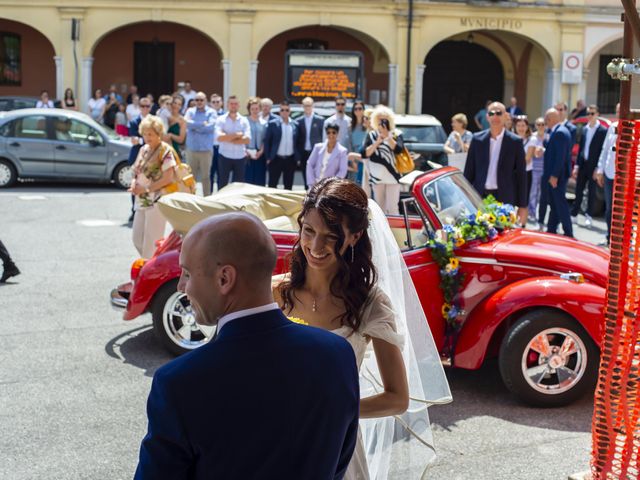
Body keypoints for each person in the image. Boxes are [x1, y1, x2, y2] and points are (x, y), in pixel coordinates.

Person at [135, 212, 360, 480]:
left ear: (224, 279)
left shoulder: (179, 383)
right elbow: (339, 462)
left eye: (186, 273)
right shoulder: (337, 354)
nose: (182, 287)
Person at [274, 178, 451, 479]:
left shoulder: (370, 305)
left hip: (335, 443)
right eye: (309, 231)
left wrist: (334, 412)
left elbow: (397, 398)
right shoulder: (274, 293)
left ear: (354, 237)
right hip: (274, 438)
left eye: (330, 237)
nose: (315, 246)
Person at [463, 101, 528, 224]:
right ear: (487, 117)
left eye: (499, 113)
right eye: (491, 113)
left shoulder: (515, 142)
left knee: (503, 236)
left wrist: (523, 205)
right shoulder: (477, 139)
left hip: (504, 198)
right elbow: (469, 172)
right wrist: (465, 197)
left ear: (506, 116)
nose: (495, 116)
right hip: (480, 196)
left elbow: (521, 175)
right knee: (480, 236)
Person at [128, 115, 179, 258]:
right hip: (141, 200)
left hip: (157, 201)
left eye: (150, 134)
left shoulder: (165, 151)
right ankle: (150, 266)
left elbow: (168, 177)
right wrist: (134, 183)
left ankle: (148, 274)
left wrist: (146, 188)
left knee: (151, 243)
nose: (147, 137)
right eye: (144, 134)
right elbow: (136, 170)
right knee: (137, 239)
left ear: (159, 134)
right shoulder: (143, 149)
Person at [571, 104, 607, 227]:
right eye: (588, 113)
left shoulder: (602, 131)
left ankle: (589, 216)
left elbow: (603, 150)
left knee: (592, 192)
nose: (590, 116)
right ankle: (574, 214)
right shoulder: (585, 129)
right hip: (583, 164)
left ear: (597, 114)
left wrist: (598, 168)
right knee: (578, 190)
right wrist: (576, 166)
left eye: (592, 113)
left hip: (594, 166)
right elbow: (581, 148)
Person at [364, 105, 404, 215]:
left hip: (393, 176)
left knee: (392, 208)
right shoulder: (372, 135)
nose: (382, 121)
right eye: (380, 119)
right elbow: (365, 153)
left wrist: (388, 137)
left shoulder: (396, 133)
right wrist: (377, 142)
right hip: (377, 177)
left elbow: (399, 150)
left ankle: (394, 231)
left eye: (385, 119)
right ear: (375, 120)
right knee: (379, 208)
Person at [542, 107, 573, 237]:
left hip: (557, 176)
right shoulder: (556, 131)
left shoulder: (560, 132)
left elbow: (560, 157)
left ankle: (568, 232)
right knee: (555, 204)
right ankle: (551, 230)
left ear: (553, 119)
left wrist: (554, 175)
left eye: (547, 119)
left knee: (560, 204)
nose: (545, 121)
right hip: (554, 175)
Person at [595, 103, 620, 246]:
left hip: (624, 177)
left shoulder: (633, 127)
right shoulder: (612, 127)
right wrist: (600, 170)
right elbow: (605, 150)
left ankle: (623, 239)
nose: (619, 113)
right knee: (609, 208)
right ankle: (609, 237)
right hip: (609, 173)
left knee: (621, 209)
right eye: (617, 111)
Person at [215, 95, 251, 189]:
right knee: (222, 184)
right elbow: (219, 138)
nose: (233, 105)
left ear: (239, 105)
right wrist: (237, 135)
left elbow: (247, 140)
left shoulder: (244, 120)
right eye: (231, 103)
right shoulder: (221, 119)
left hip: (240, 157)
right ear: (227, 105)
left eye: (235, 104)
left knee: (238, 186)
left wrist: (227, 136)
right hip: (224, 156)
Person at [184, 91, 216, 195]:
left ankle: (207, 199)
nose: (199, 102)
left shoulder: (211, 112)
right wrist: (203, 124)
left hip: (205, 150)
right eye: (197, 100)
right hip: (191, 150)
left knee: (205, 177)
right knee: (190, 176)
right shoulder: (190, 111)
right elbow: (186, 123)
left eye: (201, 100)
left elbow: (211, 127)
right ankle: (190, 198)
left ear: (205, 101)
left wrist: (194, 127)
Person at [127, 97, 153, 222]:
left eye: (147, 106)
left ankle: (148, 209)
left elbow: (157, 138)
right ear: (139, 107)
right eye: (142, 106)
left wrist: (141, 140)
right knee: (136, 183)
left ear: (151, 107)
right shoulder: (134, 122)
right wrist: (144, 140)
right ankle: (134, 210)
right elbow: (133, 140)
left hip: (152, 157)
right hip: (137, 156)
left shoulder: (154, 121)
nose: (145, 108)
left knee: (150, 184)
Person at [264, 100, 297, 189]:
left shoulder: (295, 124)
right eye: (282, 110)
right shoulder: (273, 124)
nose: (284, 112)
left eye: (287, 110)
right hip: (276, 159)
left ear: (289, 111)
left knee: (288, 186)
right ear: (279, 111)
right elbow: (267, 141)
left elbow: (298, 142)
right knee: (272, 185)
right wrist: (268, 157)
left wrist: (298, 158)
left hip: (290, 159)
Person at [295, 96, 325, 189]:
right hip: (304, 153)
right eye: (305, 105)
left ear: (313, 106)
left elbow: (323, 137)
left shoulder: (320, 120)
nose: (307, 107)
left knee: (317, 176)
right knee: (306, 176)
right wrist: (298, 156)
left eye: (309, 105)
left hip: (315, 152)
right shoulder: (298, 121)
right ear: (302, 106)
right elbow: (297, 140)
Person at [306, 122, 348, 187]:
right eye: (328, 132)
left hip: (330, 187)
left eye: (334, 132)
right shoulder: (318, 147)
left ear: (338, 133)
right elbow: (310, 164)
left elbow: (342, 171)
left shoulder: (342, 151)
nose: (331, 135)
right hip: (315, 185)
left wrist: (331, 184)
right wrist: (312, 182)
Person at [513, 115, 533, 224]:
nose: (521, 128)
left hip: (526, 174)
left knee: (523, 201)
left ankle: (523, 225)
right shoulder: (511, 138)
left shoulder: (531, 139)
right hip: (513, 174)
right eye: (518, 125)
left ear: (527, 127)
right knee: (513, 200)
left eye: (523, 125)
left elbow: (528, 159)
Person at [527, 117, 546, 226]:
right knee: (533, 191)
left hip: (544, 167)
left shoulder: (548, 137)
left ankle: (539, 213)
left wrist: (543, 150)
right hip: (534, 167)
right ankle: (532, 211)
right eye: (538, 124)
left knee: (541, 193)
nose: (540, 126)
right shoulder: (533, 137)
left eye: (542, 124)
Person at [244, 96, 267, 186]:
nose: (255, 110)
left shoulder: (264, 123)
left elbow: (265, 139)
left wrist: (261, 151)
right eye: (252, 109)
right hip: (247, 154)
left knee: (259, 180)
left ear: (260, 109)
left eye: (257, 108)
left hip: (259, 154)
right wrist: (246, 151)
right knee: (247, 180)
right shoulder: (244, 121)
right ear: (249, 109)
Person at [348, 100, 367, 184]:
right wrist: (352, 162)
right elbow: (349, 144)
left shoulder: (367, 125)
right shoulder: (350, 126)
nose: (358, 111)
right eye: (355, 109)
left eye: (360, 108)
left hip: (365, 156)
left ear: (363, 110)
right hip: (354, 157)